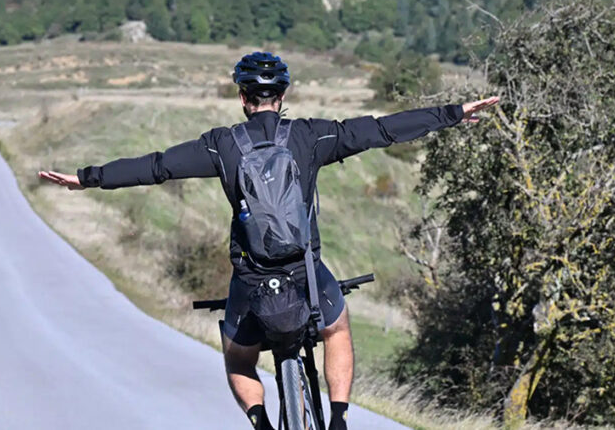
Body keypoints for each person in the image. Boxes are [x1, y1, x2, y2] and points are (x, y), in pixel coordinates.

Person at [39, 52, 499, 429]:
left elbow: (157, 166)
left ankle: (261, 422)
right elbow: (380, 130)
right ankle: (339, 419)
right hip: (305, 274)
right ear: (282, 96)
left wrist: (87, 178)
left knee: (239, 361)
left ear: (243, 98)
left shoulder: (220, 145)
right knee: (337, 330)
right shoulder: (312, 135)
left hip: (252, 280)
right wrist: (453, 114)